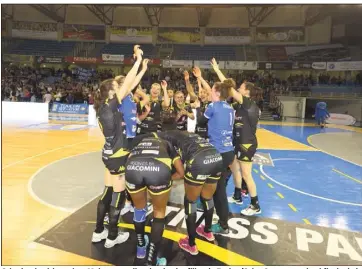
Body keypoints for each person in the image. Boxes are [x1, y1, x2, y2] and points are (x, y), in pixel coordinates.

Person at [91, 45, 146, 248]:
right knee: (118, 194)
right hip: (118, 155)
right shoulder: (111, 104)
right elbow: (128, 83)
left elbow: (129, 84)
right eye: (116, 85)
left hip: (107, 153)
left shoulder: (101, 108)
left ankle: (98, 231)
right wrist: (138, 61)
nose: (119, 87)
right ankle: (113, 236)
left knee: (106, 191)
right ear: (112, 92)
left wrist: (140, 69)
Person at [155, 130, 223, 255]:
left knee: (190, 201)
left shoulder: (165, 141)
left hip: (199, 160)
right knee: (207, 198)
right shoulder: (188, 134)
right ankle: (207, 231)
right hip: (216, 156)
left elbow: (178, 170)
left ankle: (191, 244)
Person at [193, 66, 240, 235]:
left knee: (218, 190)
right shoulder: (230, 108)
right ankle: (219, 218)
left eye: (212, 90)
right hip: (228, 152)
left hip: (218, 152)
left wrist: (199, 108)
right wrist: (201, 79)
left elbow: (200, 122)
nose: (210, 91)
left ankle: (222, 224)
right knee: (216, 187)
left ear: (217, 93)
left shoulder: (213, 107)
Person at [211, 58, 261, 215]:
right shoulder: (239, 105)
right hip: (237, 142)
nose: (238, 88)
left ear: (247, 92)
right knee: (234, 169)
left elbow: (229, 88)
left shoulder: (248, 103)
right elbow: (224, 98)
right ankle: (238, 195)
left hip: (246, 144)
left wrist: (217, 70)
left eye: (241, 87)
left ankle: (255, 205)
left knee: (246, 174)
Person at [125, 135, 184, 265]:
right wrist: (166, 179)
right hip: (158, 169)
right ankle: (151, 259)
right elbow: (181, 173)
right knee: (159, 212)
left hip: (133, 167)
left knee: (139, 209)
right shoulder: (167, 143)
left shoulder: (139, 143)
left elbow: (128, 158)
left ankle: (141, 248)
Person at [117, 67, 150, 216]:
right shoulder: (122, 96)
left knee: (133, 172)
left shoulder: (131, 98)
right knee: (125, 174)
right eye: (125, 83)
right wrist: (140, 67)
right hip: (124, 139)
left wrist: (143, 70)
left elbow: (133, 118)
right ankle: (126, 203)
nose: (129, 84)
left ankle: (133, 202)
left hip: (133, 138)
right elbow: (133, 82)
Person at [184, 71, 211, 138]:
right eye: (201, 92)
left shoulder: (211, 102)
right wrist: (187, 81)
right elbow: (190, 91)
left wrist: (199, 77)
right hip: (198, 131)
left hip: (208, 133)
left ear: (208, 95)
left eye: (204, 92)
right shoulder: (198, 101)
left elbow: (209, 90)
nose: (202, 94)